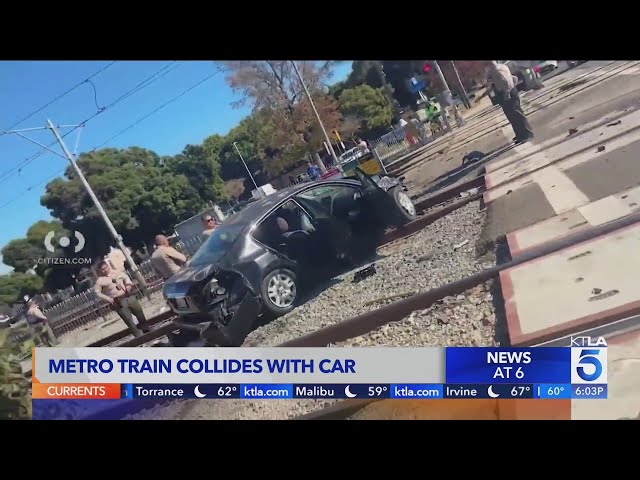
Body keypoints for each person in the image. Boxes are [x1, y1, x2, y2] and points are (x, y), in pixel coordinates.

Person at [478, 61, 534, 144]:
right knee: (512, 116)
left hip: (506, 93)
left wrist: (507, 93)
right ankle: (520, 135)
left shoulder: (495, 70)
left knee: (516, 115)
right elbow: (514, 78)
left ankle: (527, 134)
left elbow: (505, 81)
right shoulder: (501, 67)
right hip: (510, 91)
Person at [94, 260, 150, 337]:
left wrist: (128, 285)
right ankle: (139, 335)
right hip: (118, 301)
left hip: (127, 295)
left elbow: (126, 277)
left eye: (106, 267)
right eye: (103, 269)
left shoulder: (116, 272)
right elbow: (97, 293)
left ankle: (146, 329)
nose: (105, 270)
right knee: (129, 320)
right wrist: (108, 299)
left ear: (108, 266)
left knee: (139, 311)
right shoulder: (100, 281)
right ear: (100, 271)